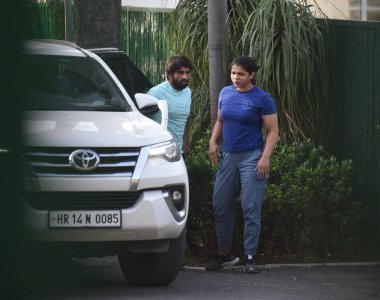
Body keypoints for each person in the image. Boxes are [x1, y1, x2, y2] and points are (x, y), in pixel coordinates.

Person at [206, 56, 279, 274]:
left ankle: (249, 257)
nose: (235, 78)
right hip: (228, 156)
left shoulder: (262, 98)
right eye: (233, 73)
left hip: (252, 158)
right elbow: (220, 120)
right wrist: (212, 141)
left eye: (241, 74)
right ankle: (225, 254)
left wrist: (265, 157)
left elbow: (273, 130)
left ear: (252, 75)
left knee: (250, 207)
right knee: (220, 206)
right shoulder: (225, 93)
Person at [147, 55, 193, 156]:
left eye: (187, 72)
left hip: (177, 152)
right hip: (158, 153)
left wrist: (184, 146)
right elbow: (143, 121)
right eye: (180, 73)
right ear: (169, 74)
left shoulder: (188, 92)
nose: (185, 77)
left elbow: (185, 119)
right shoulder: (156, 93)